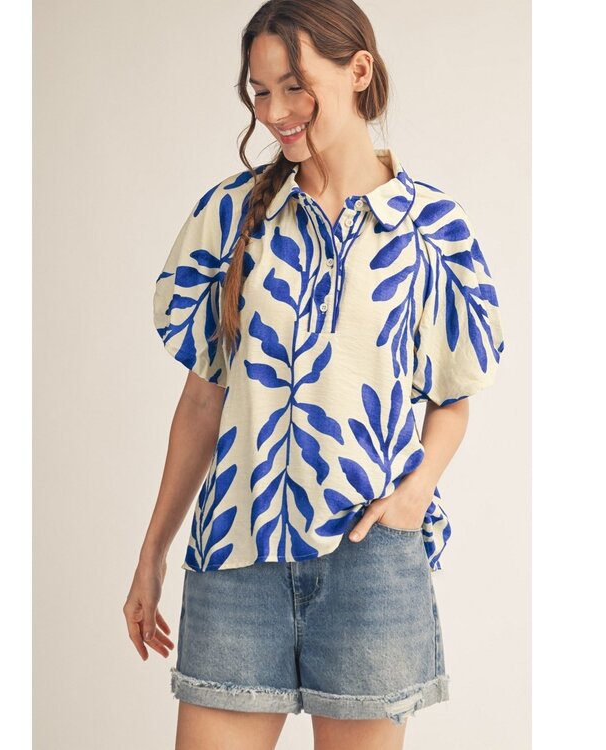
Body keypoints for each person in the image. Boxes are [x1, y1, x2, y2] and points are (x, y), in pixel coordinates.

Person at [123, 1, 505, 748]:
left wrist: (413, 495)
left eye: (294, 87)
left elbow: (453, 398)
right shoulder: (232, 216)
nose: (275, 113)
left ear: (358, 70)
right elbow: (201, 401)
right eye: (261, 92)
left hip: (371, 565)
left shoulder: (432, 230)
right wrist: (152, 551)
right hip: (236, 555)